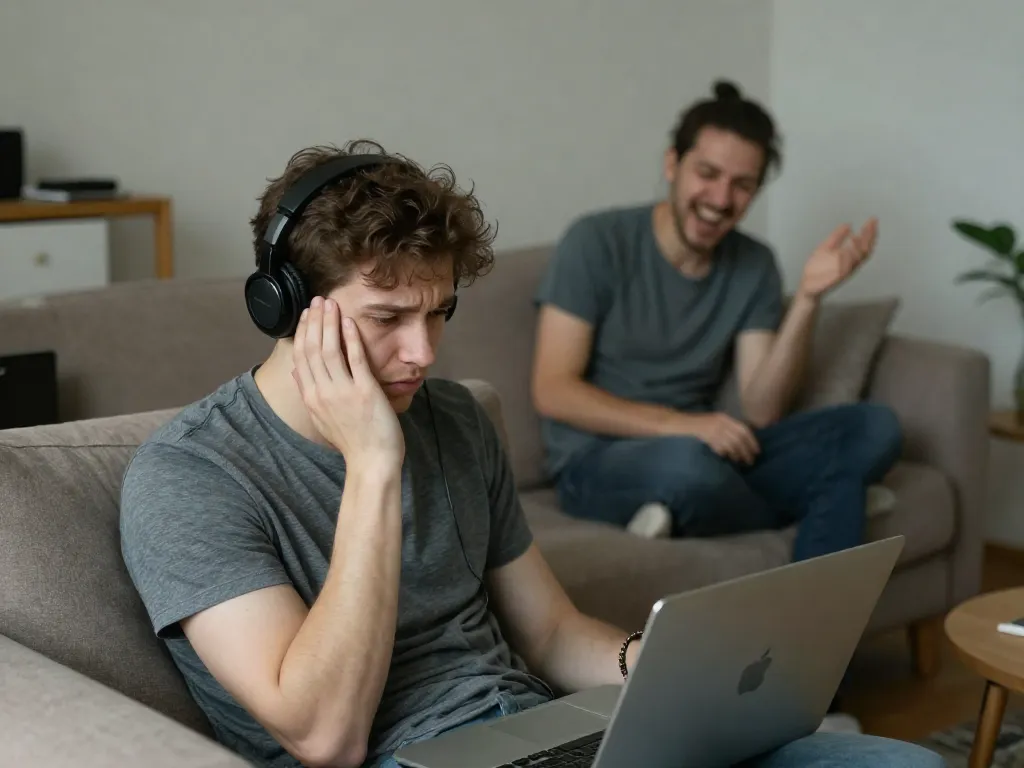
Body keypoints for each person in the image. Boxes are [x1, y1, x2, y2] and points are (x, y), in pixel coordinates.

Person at [119, 140, 942, 768]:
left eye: (440, 311)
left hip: (541, 734)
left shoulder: (455, 419)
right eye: (386, 317)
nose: (424, 351)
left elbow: (547, 630)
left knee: (900, 762)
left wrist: (653, 671)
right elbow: (326, 736)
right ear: (287, 307)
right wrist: (373, 465)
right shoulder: (190, 476)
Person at [531, 79, 903, 562]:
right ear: (672, 164)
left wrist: (809, 300)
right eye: (707, 173)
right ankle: (825, 495)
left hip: (712, 452)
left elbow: (763, 408)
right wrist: (682, 425)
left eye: (742, 184)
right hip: (599, 461)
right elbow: (553, 389)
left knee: (874, 428)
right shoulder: (596, 242)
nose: (721, 198)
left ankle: (805, 537)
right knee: (690, 466)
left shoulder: (755, 265)